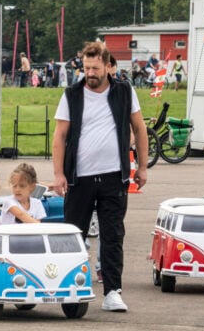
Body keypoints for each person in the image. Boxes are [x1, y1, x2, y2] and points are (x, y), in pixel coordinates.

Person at [51, 41, 149, 313]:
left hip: (113, 177)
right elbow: (60, 135)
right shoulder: (72, 94)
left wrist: (142, 167)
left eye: (95, 68)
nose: (90, 73)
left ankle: (113, 292)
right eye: (86, 68)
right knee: (74, 236)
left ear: (108, 66)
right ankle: (70, 289)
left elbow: (139, 129)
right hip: (79, 179)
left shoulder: (124, 92)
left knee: (112, 235)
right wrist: (58, 174)